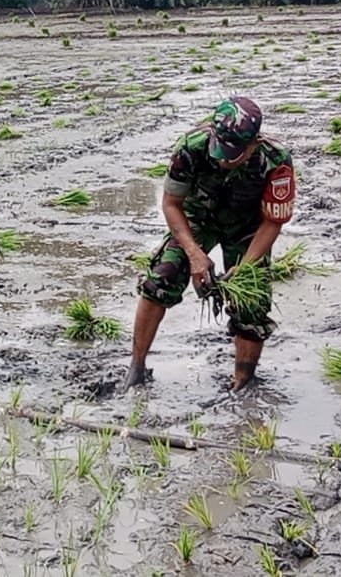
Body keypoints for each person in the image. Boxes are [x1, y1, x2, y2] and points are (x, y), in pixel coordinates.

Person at [122, 96, 296, 393]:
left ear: (254, 144)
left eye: (233, 155)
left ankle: (243, 382)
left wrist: (245, 267)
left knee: (251, 302)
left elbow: (273, 221)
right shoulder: (191, 147)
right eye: (220, 151)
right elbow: (171, 203)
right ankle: (136, 367)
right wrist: (193, 253)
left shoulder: (276, 161)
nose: (223, 160)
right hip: (196, 218)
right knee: (160, 279)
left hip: (247, 226)